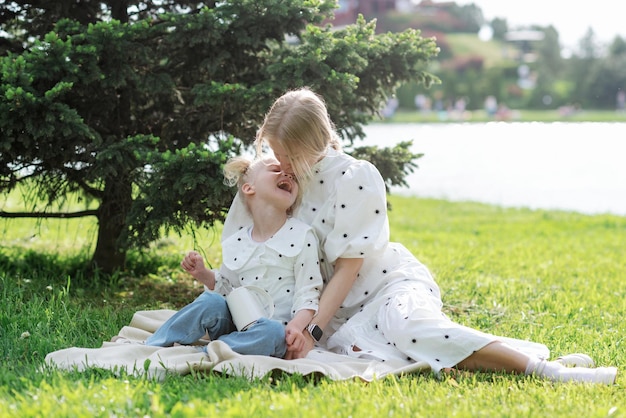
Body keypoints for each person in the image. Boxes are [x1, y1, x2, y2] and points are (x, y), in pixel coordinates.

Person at [222, 88, 618, 384]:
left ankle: (548, 372)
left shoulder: (355, 177)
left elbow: (349, 267)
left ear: (312, 142)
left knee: (409, 328)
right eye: (275, 153)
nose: (282, 164)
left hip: (384, 287)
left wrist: (313, 332)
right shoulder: (285, 181)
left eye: (287, 153)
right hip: (341, 312)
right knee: (408, 347)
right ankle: (530, 356)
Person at [116, 156, 323, 358]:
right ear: (249, 188)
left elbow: (308, 294)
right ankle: (153, 344)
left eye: (293, 177)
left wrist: (296, 328)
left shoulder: (302, 235)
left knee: (271, 331)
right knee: (211, 301)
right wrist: (203, 274)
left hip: (274, 334)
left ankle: (206, 353)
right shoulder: (238, 241)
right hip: (235, 324)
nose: (286, 174)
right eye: (275, 169)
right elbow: (227, 288)